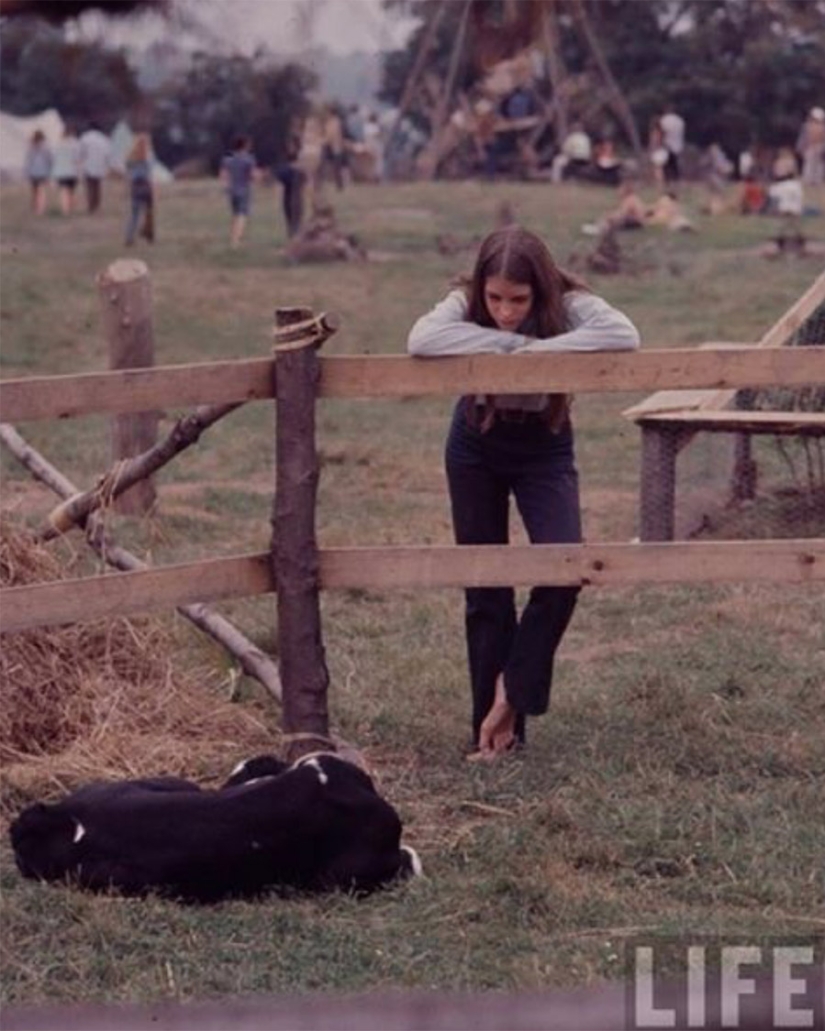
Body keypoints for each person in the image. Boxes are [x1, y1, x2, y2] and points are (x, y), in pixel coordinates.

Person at [406, 227, 640, 759]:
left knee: (564, 571)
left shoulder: (572, 301)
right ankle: (492, 739)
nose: (506, 310)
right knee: (485, 587)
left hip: (544, 444)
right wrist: (514, 348)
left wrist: (536, 351)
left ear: (541, 290)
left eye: (519, 300)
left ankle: (511, 695)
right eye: (495, 299)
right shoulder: (462, 302)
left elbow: (624, 334)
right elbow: (421, 340)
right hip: (475, 442)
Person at [220, 135, 258, 248]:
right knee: (242, 215)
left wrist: (226, 186)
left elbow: (223, 174)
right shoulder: (249, 159)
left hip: (232, 190)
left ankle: (233, 238)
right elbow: (253, 175)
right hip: (244, 190)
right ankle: (236, 241)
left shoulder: (228, 159)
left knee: (235, 215)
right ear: (245, 145)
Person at [124, 133, 155, 246]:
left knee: (134, 214)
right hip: (146, 185)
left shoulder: (131, 158)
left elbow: (127, 171)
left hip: (136, 186)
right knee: (148, 213)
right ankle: (149, 235)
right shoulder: (148, 156)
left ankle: (129, 237)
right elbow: (150, 172)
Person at [79, 121, 113, 214]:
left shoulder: (85, 137)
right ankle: (96, 205)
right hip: (100, 166)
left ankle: (90, 206)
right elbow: (108, 154)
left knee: (89, 187)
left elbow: (81, 152)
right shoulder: (104, 139)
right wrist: (108, 165)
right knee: (97, 187)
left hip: (88, 165)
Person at [52, 124, 82, 215]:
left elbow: (54, 159)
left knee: (64, 192)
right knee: (71, 191)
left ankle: (66, 210)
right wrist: (79, 172)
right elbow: (78, 159)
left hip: (61, 172)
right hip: (72, 171)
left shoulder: (58, 144)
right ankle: (71, 207)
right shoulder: (76, 144)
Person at [23, 130, 52, 215]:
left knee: (34, 191)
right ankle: (41, 209)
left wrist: (26, 172)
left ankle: (35, 207)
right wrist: (50, 171)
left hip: (32, 172)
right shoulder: (46, 147)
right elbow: (49, 159)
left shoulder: (31, 147)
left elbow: (28, 161)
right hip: (43, 172)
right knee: (41, 191)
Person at [796, 106, 825, 187]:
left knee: (819, 168)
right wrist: (801, 149)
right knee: (808, 167)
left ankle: (817, 183)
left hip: (820, 149)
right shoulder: (806, 127)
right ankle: (807, 183)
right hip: (809, 149)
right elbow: (802, 139)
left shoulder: (823, 128)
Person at [659, 105, 686, 185]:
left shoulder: (664, 120)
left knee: (666, 166)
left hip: (667, 145)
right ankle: (676, 181)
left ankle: (667, 182)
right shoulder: (680, 121)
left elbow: (662, 133)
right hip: (678, 146)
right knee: (675, 166)